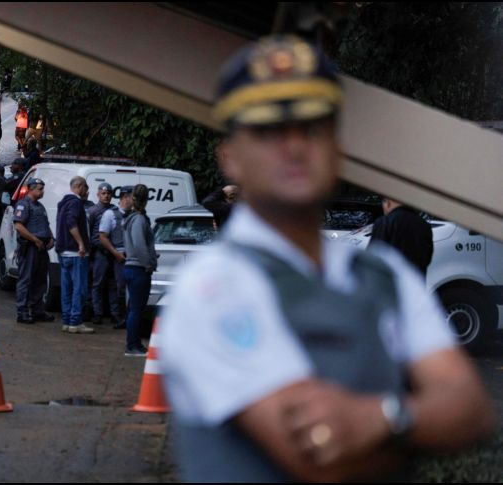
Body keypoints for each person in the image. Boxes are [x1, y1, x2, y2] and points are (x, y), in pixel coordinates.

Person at [159, 35, 493, 482]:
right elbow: (319, 456)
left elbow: (471, 409)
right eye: (269, 129)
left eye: (313, 125)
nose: (294, 145)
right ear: (230, 157)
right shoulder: (213, 287)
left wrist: (379, 418)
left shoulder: (382, 273)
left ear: (339, 148)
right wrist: (416, 420)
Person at [56, 176, 95, 334]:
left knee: (67, 288)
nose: (88, 191)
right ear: (79, 186)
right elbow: (71, 223)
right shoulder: (76, 203)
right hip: (75, 253)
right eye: (86, 187)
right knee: (79, 288)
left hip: (64, 252)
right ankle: (75, 321)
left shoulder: (62, 203)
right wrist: (81, 243)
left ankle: (67, 320)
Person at [13, 178, 56, 324]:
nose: (42, 191)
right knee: (26, 280)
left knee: (40, 280)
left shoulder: (40, 206)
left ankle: (37, 310)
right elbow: (19, 226)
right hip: (30, 247)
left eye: (42, 188)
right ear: (30, 189)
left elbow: (45, 224)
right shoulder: (23, 205)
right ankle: (22, 312)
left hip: (41, 248)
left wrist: (51, 238)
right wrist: (34, 239)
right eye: (39, 189)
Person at [122, 184, 156, 356]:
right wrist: (149, 263)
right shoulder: (139, 220)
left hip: (132, 266)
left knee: (133, 308)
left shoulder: (131, 219)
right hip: (138, 269)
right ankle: (132, 345)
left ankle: (133, 343)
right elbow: (139, 245)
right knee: (136, 309)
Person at [99, 185, 134, 329]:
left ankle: (127, 316)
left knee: (129, 288)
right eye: (133, 197)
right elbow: (102, 236)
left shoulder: (134, 214)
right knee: (119, 288)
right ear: (125, 197)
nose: (135, 200)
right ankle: (118, 317)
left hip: (132, 256)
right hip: (118, 256)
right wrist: (115, 253)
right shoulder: (110, 214)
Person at [370, 198, 434, 276]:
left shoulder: (384, 221)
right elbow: (427, 258)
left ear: (387, 203)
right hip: (415, 282)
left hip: (388, 283)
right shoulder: (424, 225)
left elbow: (373, 257)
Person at [87, 183, 118, 325]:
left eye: (109, 193)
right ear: (98, 194)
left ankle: (115, 313)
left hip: (114, 252)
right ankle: (97, 313)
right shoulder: (93, 211)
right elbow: (89, 232)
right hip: (99, 252)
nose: (106, 196)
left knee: (114, 284)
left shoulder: (115, 211)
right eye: (103, 193)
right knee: (97, 284)